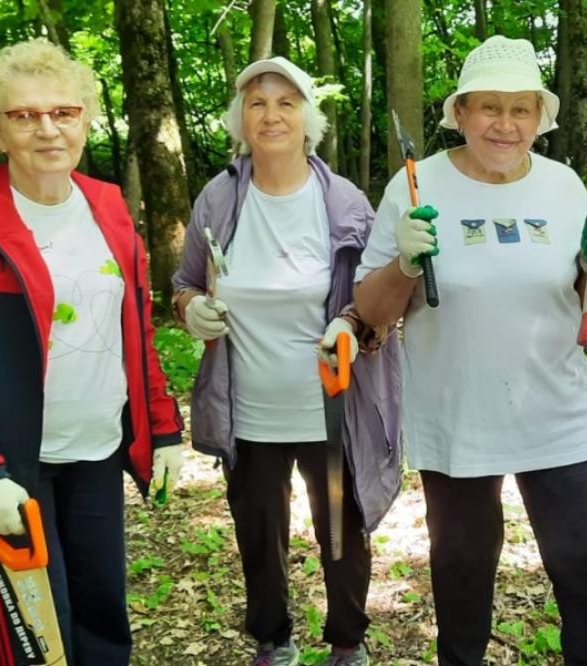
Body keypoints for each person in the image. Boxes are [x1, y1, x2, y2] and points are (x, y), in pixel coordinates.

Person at [353, 35, 587, 666]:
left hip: (559, 414)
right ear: (461, 114)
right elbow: (372, 313)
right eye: (488, 108)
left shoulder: (564, 186)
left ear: (540, 117)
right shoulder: (417, 183)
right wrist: (404, 261)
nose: (505, 124)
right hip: (459, 415)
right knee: (462, 571)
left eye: (521, 109)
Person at [0, 39, 184, 665]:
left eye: (63, 112)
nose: (47, 129)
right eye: (24, 115)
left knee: (101, 621)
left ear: (86, 118)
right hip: (10, 468)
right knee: (40, 642)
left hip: (94, 453)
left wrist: (163, 427)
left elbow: (133, 334)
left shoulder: (109, 206)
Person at [172, 56, 400, 666]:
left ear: (308, 120)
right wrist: (191, 305)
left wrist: (353, 325)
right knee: (259, 536)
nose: (271, 115)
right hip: (247, 409)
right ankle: (273, 641)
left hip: (331, 405)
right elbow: (185, 280)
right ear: (240, 121)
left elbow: (381, 301)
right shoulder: (219, 198)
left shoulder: (344, 202)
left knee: (341, 535)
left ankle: (347, 643)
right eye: (256, 103)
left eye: (286, 103)